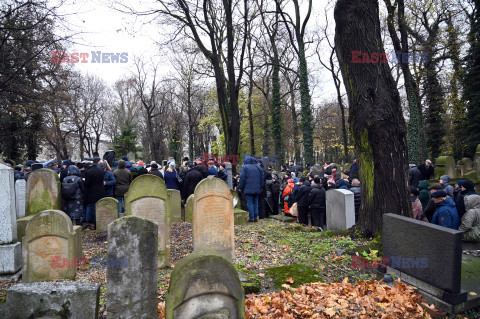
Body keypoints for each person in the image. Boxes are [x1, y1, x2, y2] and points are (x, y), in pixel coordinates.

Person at [238, 155, 264, 222]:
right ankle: (255, 216)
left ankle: (251, 217)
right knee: (256, 202)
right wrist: (261, 187)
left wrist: (240, 187)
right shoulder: (259, 168)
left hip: (248, 188)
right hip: (257, 188)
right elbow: (262, 178)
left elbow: (242, 178)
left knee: (249, 203)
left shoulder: (245, 167)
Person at [84, 160, 106, 230]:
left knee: (94, 210)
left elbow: (87, 184)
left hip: (92, 193)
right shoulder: (101, 170)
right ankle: (101, 223)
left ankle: (96, 225)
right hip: (101, 191)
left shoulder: (88, 172)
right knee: (100, 208)